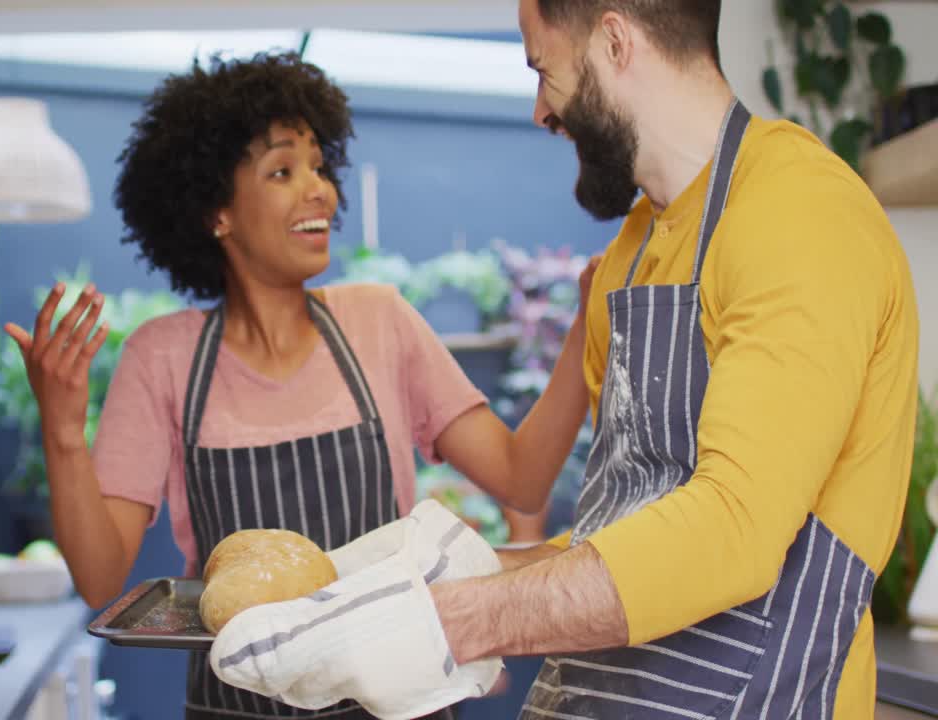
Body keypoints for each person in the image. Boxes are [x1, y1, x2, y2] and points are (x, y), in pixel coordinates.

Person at [205, 3, 921, 719]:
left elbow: (734, 531)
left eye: (545, 71)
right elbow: (613, 539)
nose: (541, 110)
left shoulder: (799, 214)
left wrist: (444, 622)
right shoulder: (629, 256)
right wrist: (411, 583)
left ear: (614, 41)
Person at [5, 51, 596, 720]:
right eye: (282, 171)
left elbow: (520, 480)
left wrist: (584, 330)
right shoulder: (162, 357)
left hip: (397, 708)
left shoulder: (381, 321)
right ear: (215, 212)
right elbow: (100, 577)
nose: (319, 189)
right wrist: (61, 428)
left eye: (319, 167)